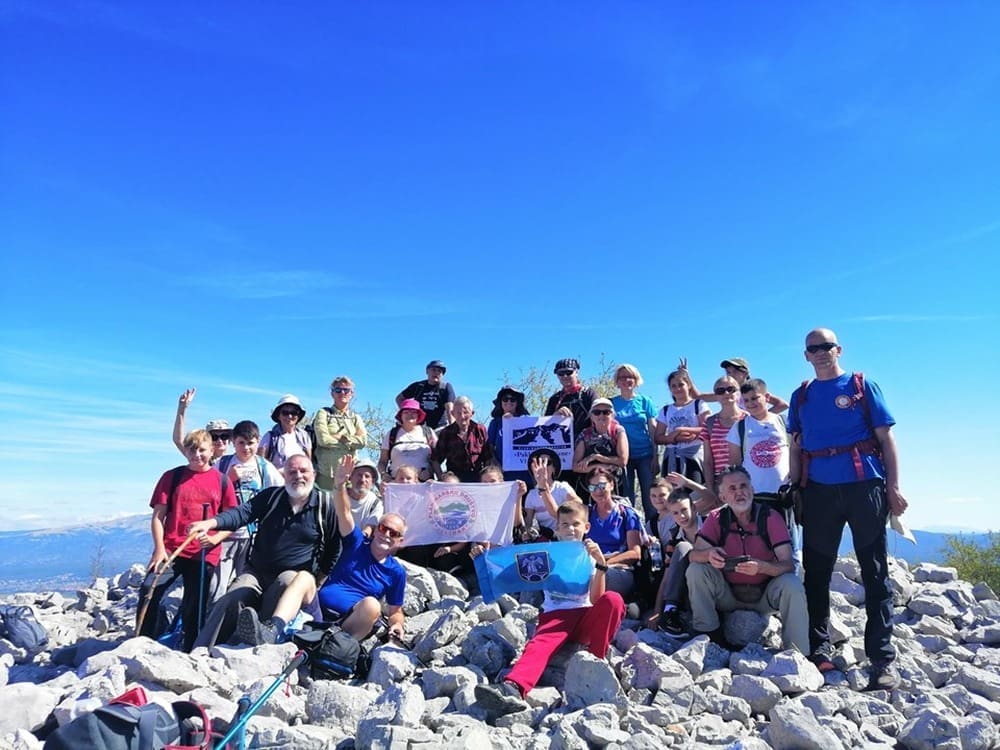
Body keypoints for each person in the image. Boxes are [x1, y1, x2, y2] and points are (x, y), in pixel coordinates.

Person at [787, 328, 908, 690]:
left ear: (838, 349)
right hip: (818, 490)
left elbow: (886, 438)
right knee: (816, 571)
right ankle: (819, 648)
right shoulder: (801, 395)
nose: (821, 352)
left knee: (874, 571)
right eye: (814, 348)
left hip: (864, 484)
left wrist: (893, 486)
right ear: (806, 355)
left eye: (826, 346)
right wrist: (795, 487)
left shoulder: (861, 386)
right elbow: (796, 445)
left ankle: (882, 658)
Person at [473, 499, 625, 717]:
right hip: (556, 616)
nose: (570, 529)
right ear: (557, 528)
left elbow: (597, 599)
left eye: (576, 524)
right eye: (565, 524)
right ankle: (513, 687)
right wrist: (484, 560)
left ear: (586, 527)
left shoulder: (591, 556)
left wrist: (601, 565)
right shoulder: (546, 554)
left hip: (584, 617)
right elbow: (510, 567)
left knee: (614, 599)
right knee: (539, 645)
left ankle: (594, 665)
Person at [188, 454, 340, 649]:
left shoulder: (325, 506)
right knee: (232, 597)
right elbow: (242, 514)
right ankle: (201, 650)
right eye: (292, 472)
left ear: (314, 474)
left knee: (287, 581)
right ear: (284, 475)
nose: (298, 476)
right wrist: (212, 523)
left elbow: (335, 547)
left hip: (294, 577)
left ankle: (264, 635)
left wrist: (319, 580)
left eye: (303, 471)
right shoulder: (271, 498)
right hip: (257, 573)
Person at [686, 466, 807, 653]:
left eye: (743, 486)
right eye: (732, 488)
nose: (739, 492)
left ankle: (798, 653)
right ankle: (709, 638)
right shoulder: (716, 519)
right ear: (723, 497)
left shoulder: (770, 518)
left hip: (764, 596)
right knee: (696, 570)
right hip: (729, 595)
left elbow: (788, 565)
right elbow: (693, 555)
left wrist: (762, 567)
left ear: (752, 489)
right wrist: (709, 555)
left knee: (792, 583)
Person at [138, 429, 238, 651]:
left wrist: (214, 539)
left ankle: (191, 650)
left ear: (211, 451)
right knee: (149, 590)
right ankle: (142, 643)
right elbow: (158, 517)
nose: (197, 454)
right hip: (171, 549)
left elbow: (231, 520)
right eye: (192, 450)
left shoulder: (222, 481)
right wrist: (159, 548)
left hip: (203, 554)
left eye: (202, 450)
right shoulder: (171, 477)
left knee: (194, 606)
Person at [315, 455, 407, 639]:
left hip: (345, 625)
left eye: (394, 533)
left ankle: (339, 646)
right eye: (383, 528)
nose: (386, 535)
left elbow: (396, 610)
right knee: (302, 579)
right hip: (316, 609)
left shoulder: (396, 572)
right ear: (376, 529)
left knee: (373, 605)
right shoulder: (356, 542)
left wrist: (397, 624)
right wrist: (340, 484)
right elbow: (344, 513)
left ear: (400, 541)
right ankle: (275, 627)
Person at [728, 379, 798, 566]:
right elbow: (734, 464)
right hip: (755, 496)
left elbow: (796, 451)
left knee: (789, 543)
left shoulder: (783, 422)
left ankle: (792, 579)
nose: (750, 403)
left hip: (782, 495)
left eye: (754, 398)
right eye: (746, 400)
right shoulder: (739, 427)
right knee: (759, 544)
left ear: (767, 397)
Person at [212, 420, 284, 601]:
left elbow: (279, 494)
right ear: (233, 442)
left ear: (258, 441)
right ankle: (213, 618)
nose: (246, 448)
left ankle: (238, 616)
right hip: (224, 535)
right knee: (216, 587)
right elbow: (209, 495)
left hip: (253, 536)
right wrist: (228, 479)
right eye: (241, 443)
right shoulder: (222, 464)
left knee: (244, 586)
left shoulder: (265, 467)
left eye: (250, 443)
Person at [647, 485, 701, 636]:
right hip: (689, 591)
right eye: (675, 513)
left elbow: (712, 496)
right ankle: (670, 612)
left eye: (684, 510)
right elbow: (667, 578)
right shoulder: (674, 539)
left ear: (693, 508)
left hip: (711, 582)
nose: (681, 516)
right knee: (682, 547)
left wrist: (687, 482)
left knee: (684, 548)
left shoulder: (710, 525)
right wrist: (657, 611)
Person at [611, 364, 659, 527]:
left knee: (650, 495)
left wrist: (656, 456)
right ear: (617, 381)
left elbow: (653, 430)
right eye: (622, 377)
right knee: (626, 496)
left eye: (630, 377)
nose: (626, 380)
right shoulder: (612, 403)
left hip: (645, 454)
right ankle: (630, 530)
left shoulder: (645, 402)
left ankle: (653, 529)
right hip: (623, 457)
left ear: (636, 380)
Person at [584, 466, 643, 598]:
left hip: (617, 569)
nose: (598, 491)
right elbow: (561, 515)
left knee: (598, 577)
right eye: (593, 487)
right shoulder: (587, 513)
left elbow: (635, 553)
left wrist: (603, 564)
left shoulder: (627, 514)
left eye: (601, 486)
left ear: (611, 485)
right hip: (590, 568)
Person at [654, 369, 711, 482]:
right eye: (673, 386)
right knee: (671, 491)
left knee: (694, 489)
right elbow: (658, 437)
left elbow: (707, 428)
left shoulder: (698, 404)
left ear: (688, 385)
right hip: (671, 457)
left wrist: (682, 430)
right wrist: (674, 437)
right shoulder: (666, 410)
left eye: (681, 385)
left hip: (693, 456)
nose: (678, 389)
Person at [312, 376, 367, 491]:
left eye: (346, 390)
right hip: (326, 477)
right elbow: (323, 440)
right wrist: (351, 443)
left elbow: (363, 442)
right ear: (332, 393)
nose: (342, 393)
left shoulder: (355, 418)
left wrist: (342, 437)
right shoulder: (323, 413)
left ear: (352, 394)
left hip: (350, 477)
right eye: (338, 390)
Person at [572, 398, 629, 500]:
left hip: (614, 484)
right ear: (591, 416)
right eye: (597, 412)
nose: (601, 415)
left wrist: (596, 457)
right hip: (588, 486)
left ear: (612, 415)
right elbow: (575, 466)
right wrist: (600, 466)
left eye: (606, 412)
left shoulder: (618, 431)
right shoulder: (585, 434)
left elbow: (623, 461)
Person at [431, 396, 494, 482]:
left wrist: (486, 479)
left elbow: (488, 458)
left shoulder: (480, 430)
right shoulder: (446, 433)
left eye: (465, 412)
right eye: (458, 413)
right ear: (452, 414)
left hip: (477, 480)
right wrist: (441, 479)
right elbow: (435, 459)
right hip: (455, 481)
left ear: (472, 413)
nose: (462, 416)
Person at [523, 448, 582, 540]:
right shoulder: (531, 495)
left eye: (547, 463)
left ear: (554, 469)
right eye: (538, 463)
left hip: (566, 537)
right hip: (544, 539)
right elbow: (527, 524)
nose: (543, 466)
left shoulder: (562, 487)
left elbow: (578, 507)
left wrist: (543, 487)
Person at [701, 376, 746, 489]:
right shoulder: (709, 423)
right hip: (721, 484)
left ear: (739, 392)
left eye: (731, 389)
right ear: (716, 396)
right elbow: (708, 461)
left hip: (746, 481)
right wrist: (710, 488)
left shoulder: (749, 419)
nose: (726, 393)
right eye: (720, 391)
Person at [378, 399, 437, 482]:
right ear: (401, 415)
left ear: (418, 415)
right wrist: (384, 474)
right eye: (406, 412)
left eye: (413, 412)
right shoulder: (392, 434)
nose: (410, 415)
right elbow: (382, 461)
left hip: (424, 484)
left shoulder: (428, 432)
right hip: (397, 484)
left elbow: (437, 459)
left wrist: (430, 471)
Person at [172, 387, 230, 465]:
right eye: (214, 437)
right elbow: (179, 441)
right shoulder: (200, 459)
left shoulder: (237, 459)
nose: (220, 440)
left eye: (224, 436)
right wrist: (181, 409)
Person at [486, 385, 530, 482]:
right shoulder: (495, 423)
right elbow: (490, 446)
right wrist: (496, 464)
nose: (509, 402)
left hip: (525, 474)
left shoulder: (527, 421)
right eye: (505, 399)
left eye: (512, 399)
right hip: (503, 474)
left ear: (517, 402)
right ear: (500, 402)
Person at [396, 360, 456, 430]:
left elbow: (450, 408)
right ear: (427, 371)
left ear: (442, 374)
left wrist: (453, 428)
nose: (436, 373)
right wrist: (406, 414)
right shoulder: (418, 386)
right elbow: (399, 398)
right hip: (419, 427)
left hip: (439, 428)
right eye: (433, 370)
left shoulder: (445, 387)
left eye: (439, 371)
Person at [259, 394, 312, 470]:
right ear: (278, 416)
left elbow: (308, 463)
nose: (289, 416)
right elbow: (260, 464)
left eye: (294, 412)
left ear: (298, 416)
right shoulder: (269, 437)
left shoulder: (304, 436)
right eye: (285, 413)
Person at [719, 357, 789, 414]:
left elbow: (783, 405)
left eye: (735, 371)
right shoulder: (727, 392)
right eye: (728, 372)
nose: (731, 375)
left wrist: (758, 417)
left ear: (745, 373)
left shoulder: (754, 389)